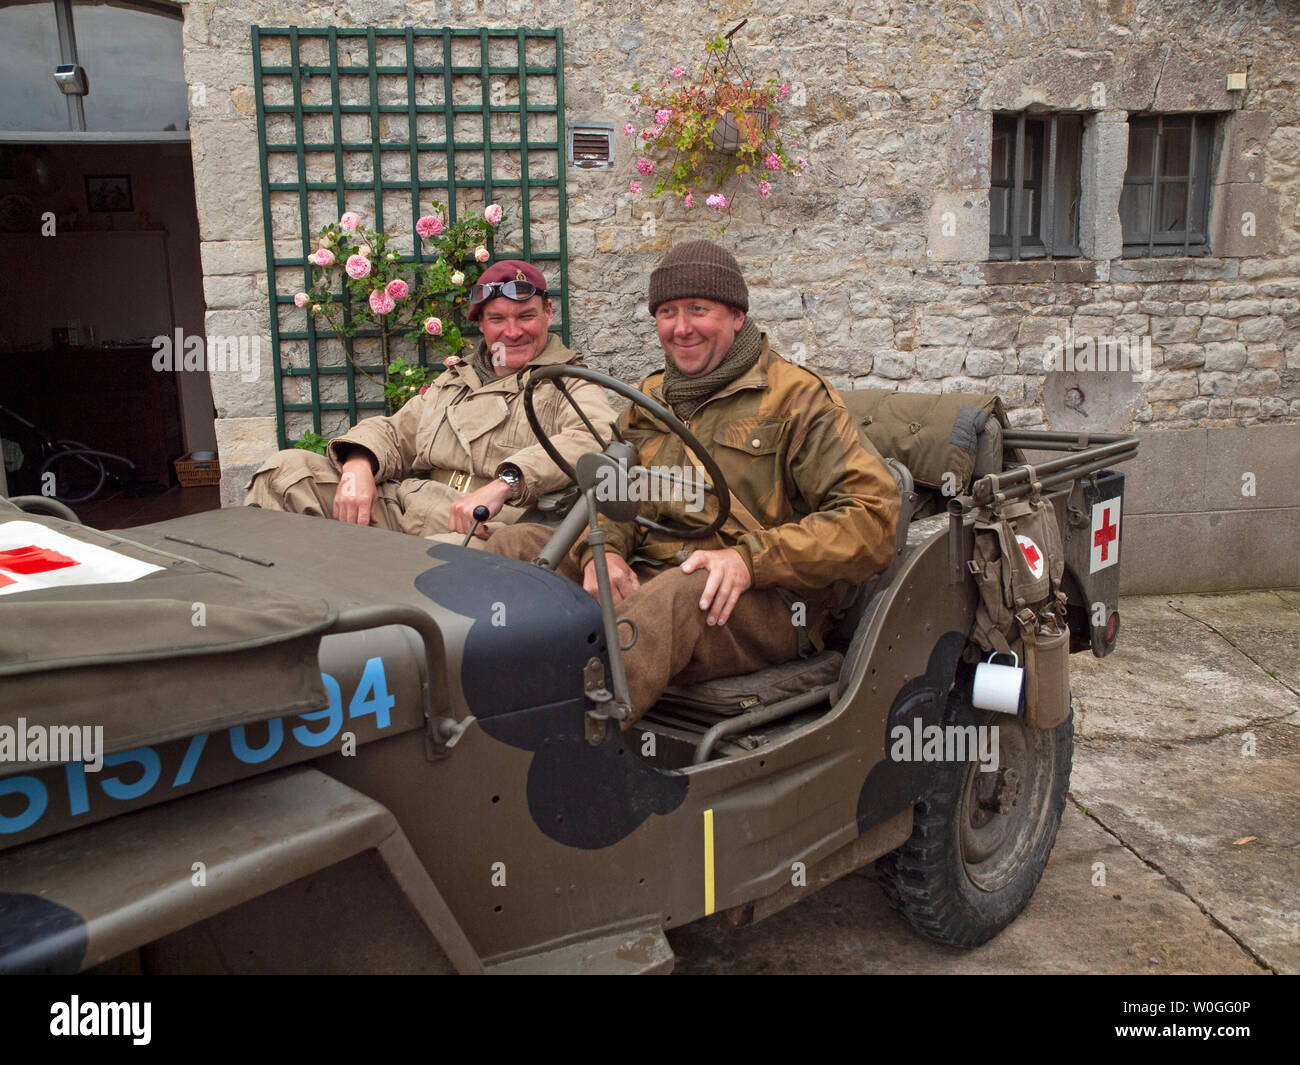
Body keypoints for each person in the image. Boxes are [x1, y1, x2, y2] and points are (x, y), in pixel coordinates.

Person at [483, 240, 901, 723]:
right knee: (513, 547)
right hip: (657, 568)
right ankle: (474, 694)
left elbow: (873, 521)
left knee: (673, 598)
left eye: (698, 309)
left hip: (767, 600)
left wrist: (749, 560)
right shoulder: (651, 397)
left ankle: (576, 740)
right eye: (667, 312)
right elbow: (617, 491)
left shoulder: (798, 399)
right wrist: (609, 552)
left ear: (736, 316)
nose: (681, 328)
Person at [246, 259, 615, 539]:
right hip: (408, 505)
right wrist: (358, 465)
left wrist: (505, 483)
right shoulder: (457, 380)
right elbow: (396, 432)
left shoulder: (569, 382)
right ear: (482, 324)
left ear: (548, 313)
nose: (512, 331)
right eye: (497, 318)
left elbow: (592, 440)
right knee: (284, 475)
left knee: (433, 574)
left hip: (487, 528)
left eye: (526, 316)